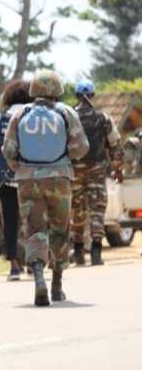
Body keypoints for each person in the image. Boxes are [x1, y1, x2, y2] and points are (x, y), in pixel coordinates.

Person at [2, 70, 89, 306]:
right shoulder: (66, 112)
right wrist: (64, 157)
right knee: (60, 230)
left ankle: (39, 278)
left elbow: (8, 150)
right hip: (60, 179)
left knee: (34, 230)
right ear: (57, 91)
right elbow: (81, 148)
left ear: (34, 90)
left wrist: (21, 168)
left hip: (28, 181)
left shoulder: (20, 114)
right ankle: (57, 285)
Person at [0, 79, 31, 281]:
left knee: (10, 221)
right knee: (33, 220)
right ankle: (34, 262)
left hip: (6, 179)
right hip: (31, 178)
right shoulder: (35, 117)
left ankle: (14, 266)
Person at [70, 79, 123, 266]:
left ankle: (78, 252)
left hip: (74, 171)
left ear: (76, 95)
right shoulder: (104, 117)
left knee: (77, 210)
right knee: (97, 210)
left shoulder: (68, 117)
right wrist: (117, 168)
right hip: (97, 171)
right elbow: (115, 144)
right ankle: (95, 252)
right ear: (92, 95)